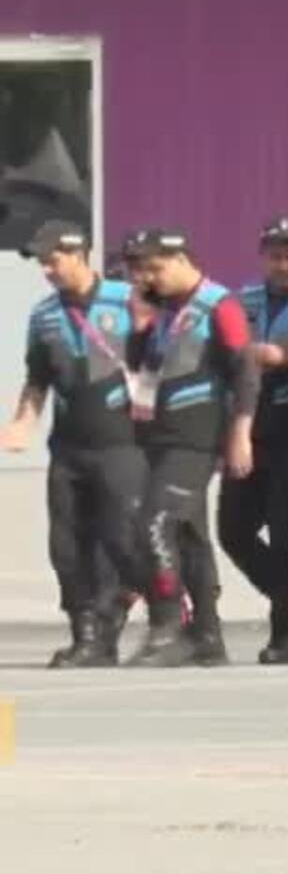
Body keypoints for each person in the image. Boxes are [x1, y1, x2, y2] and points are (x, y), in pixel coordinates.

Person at [0, 221, 150, 667]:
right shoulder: (43, 315)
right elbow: (37, 381)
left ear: (80, 253)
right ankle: (86, 632)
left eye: (54, 259)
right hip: (68, 448)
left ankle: (117, 613)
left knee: (119, 538)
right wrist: (21, 425)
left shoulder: (128, 302)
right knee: (67, 544)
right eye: (42, 262)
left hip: (123, 443)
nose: (47, 269)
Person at [119, 228, 260, 667]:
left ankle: (167, 627)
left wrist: (240, 432)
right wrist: (140, 327)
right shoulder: (164, 310)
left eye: (155, 268)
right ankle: (207, 635)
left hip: (196, 438)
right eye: (141, 270)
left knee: (154, 524)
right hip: (160, 436)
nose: (148, 278)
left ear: (181, 260)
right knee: (190, 536)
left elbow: (246, 371)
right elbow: (141, 367)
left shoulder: (220, 305)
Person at [219, 216, 288, 664]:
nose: (283, 265)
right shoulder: (242, 300)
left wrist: (286, 356)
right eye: (275, 256)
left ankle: (287, 629)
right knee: (234, 531)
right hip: (249, 427)